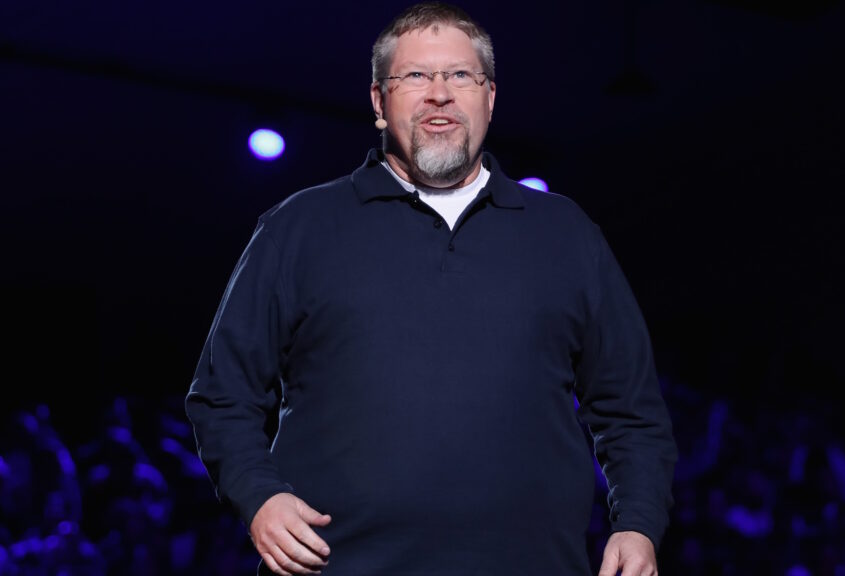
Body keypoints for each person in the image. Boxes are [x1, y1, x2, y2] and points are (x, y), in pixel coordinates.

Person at [184, 2, 677, 575]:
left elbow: (633, 411)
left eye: (460, 75)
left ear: (489, 98)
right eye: (416, 75)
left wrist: (638, 523)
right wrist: (259, 498)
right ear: (378, 101)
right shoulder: (299, 227)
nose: (439, 93)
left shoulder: (566, 235)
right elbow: (222, 396)